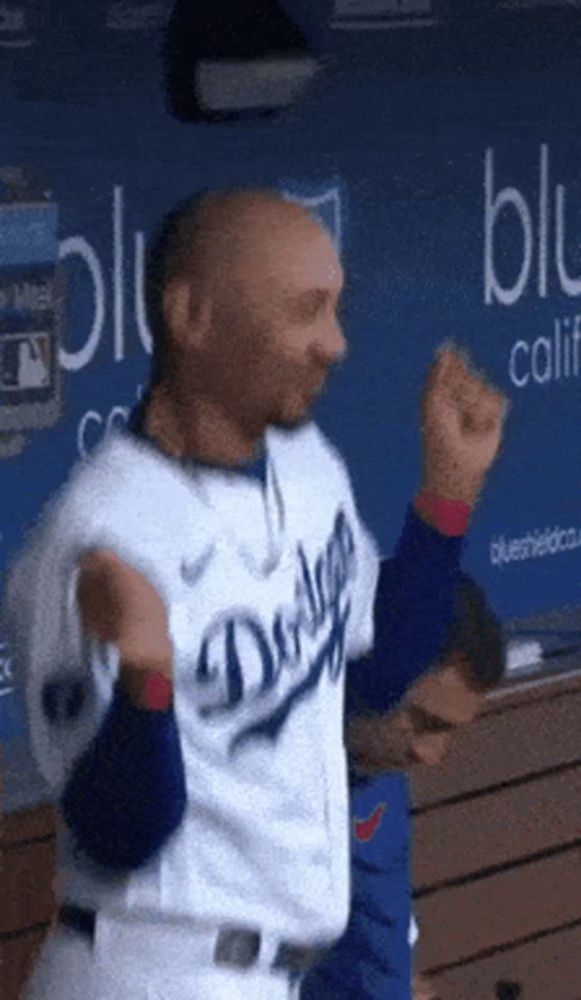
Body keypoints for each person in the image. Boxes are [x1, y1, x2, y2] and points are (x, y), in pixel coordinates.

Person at [2, 189, 506, 1000]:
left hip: (265, 975)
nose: (333, 345)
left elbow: (376, 677)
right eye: (305, 312)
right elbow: (117, 834)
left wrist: (447, 494)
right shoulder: (101, 535)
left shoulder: (310, 474)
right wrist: (146, 682)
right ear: (192, 317)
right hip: (154, 968)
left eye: (335, 312)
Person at [301, 572, 504, 1000]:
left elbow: (385, 949)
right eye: (422, 722)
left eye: (449, 731)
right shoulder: (252, 774)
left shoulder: (381, 778)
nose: (430, 755)